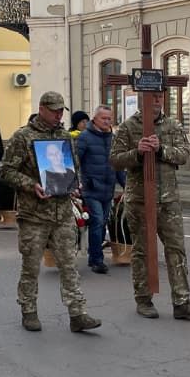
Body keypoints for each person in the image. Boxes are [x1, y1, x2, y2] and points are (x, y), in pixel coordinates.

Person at [0, 91, 101, 334]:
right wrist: (30, 184)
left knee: (69, 265)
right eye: (54, 110)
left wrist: (75, 184)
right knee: (31, 266)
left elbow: (72, 166)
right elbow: (6, 171)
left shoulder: (65, 137)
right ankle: (29, 310)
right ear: (42, 108)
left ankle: (77, 313)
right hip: (34, 215)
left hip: (62, 212)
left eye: (60, 110)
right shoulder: (23, 137)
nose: (58, 115)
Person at [110, 91, 190, 321]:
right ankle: (143, 299)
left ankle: (182, 301)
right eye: (152, 97)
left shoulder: (172, 125)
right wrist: (138, 153)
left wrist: (161, 149)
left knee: (176, 249)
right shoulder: (128, 127)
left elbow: (184, 155)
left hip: (168, 198)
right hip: (140, 199)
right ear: (143, 100)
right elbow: (115, 159)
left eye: (160, 97)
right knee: (142, 251)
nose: (156, 101)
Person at [76, 105, 125, 274]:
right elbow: (76, 161)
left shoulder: (113, 138)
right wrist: (76, 183)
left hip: (108, 189)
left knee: (102, 223)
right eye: (104, 118)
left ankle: (93, 255)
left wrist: (126, 186)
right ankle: (97, 260)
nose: (107, 121)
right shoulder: (84, 137)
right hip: (91, 189)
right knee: (97, 222)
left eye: (110, 118)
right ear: (94, 119)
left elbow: (118, 165)